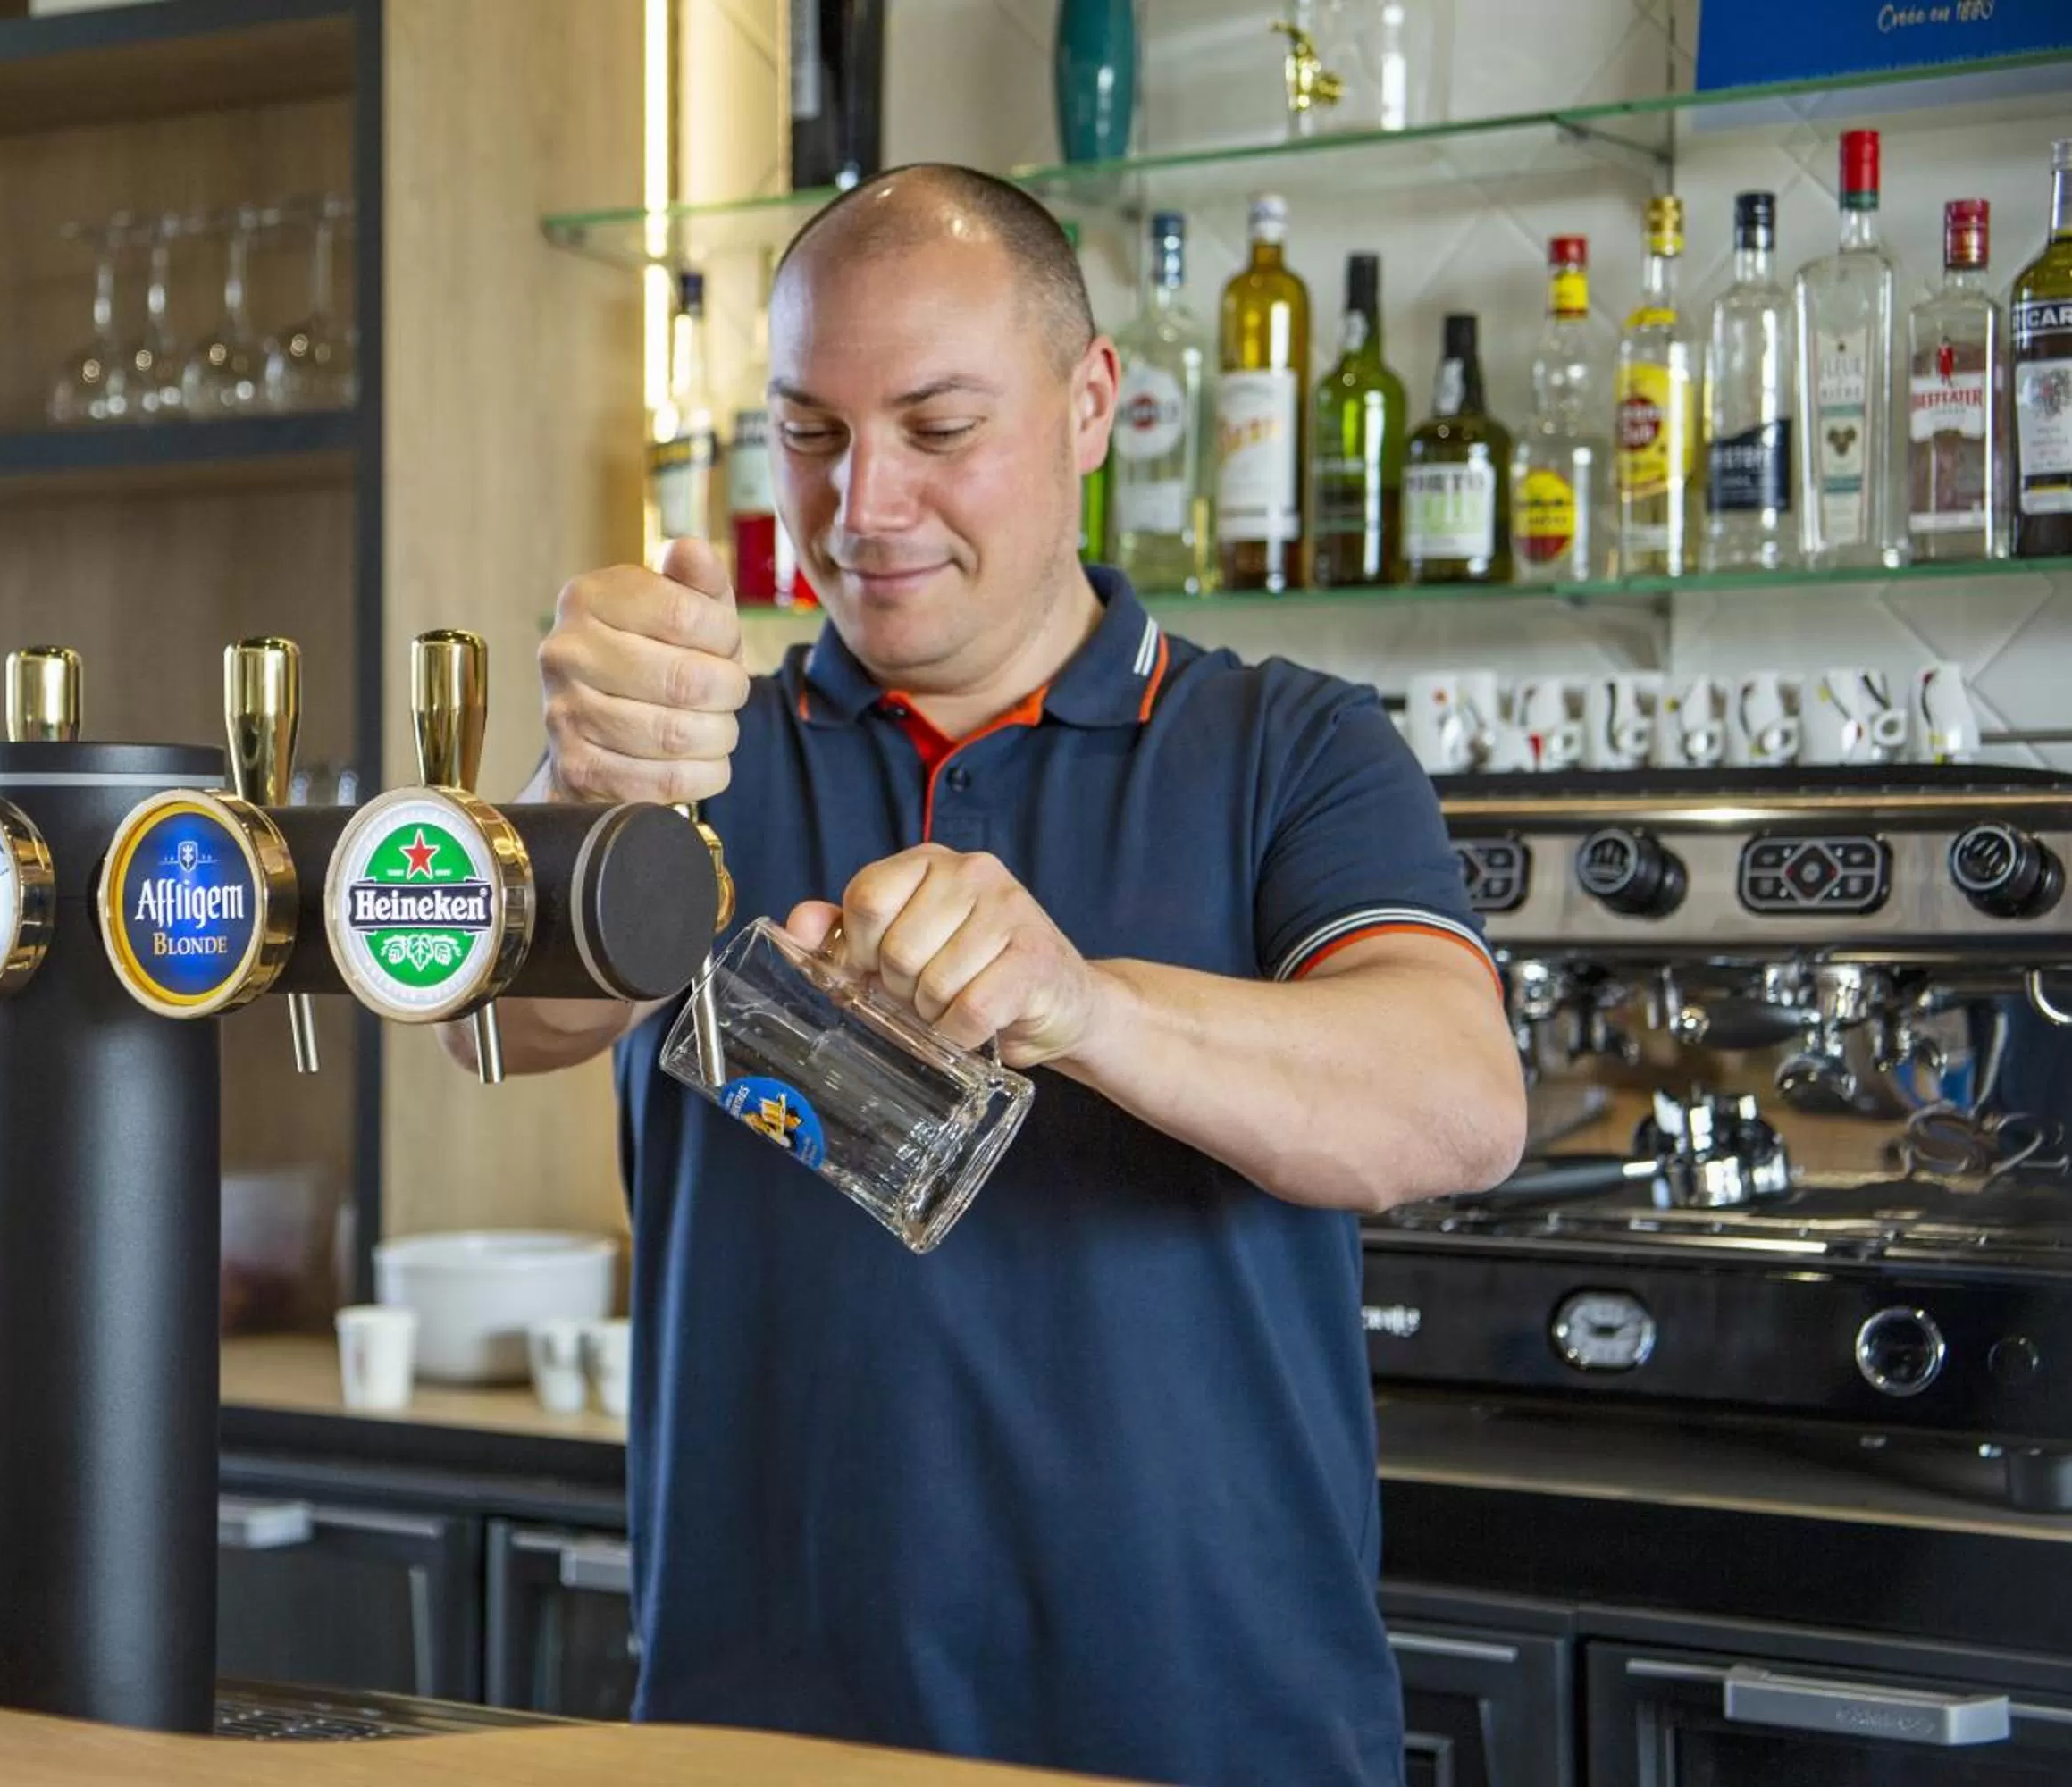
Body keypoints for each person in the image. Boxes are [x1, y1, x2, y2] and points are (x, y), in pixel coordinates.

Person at [442, 164, 1529, 1787]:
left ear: (1093, 406)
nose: (862, 506)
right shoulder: (703, 769)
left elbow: (1457, 1107)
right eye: (810, 432)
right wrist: (581, 789)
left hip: (1212, 1736)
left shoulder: (1289, 746)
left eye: (938, 429)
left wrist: (1084, 1004)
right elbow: (491, 1026)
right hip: (760, 1737)